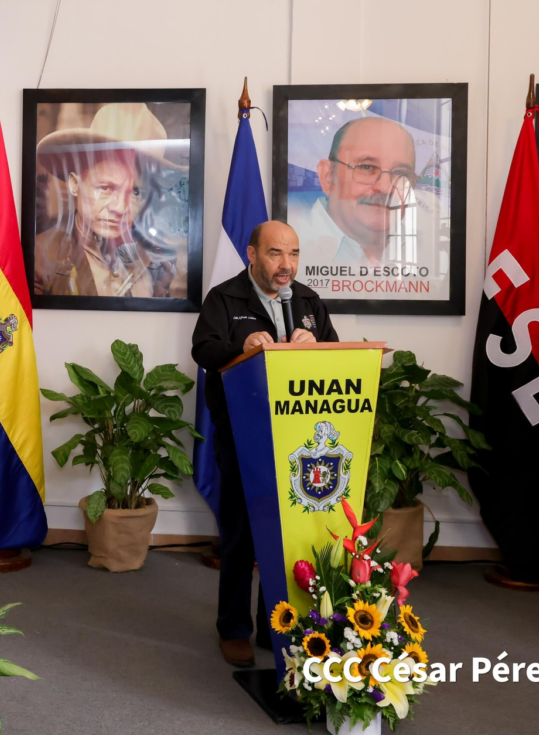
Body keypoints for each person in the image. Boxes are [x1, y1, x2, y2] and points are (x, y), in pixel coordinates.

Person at [190, 220, 339, 667]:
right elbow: (204, 350)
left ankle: (278, 621)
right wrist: (243, 346)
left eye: (293, 254)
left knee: (288, 534)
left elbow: (334, 350)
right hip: (243, 430)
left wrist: (315, 344)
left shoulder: (309, 302)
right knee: (242, 532)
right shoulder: (224, 298)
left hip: (300, 438)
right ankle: (233, 628)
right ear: (252, 254)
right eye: (276, 254)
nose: (286, 265)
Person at [33, 103, 176, 297]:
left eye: (135, 192)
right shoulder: (41, 258)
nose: (119, 207)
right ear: (75, 184)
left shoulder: (158, 261)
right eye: (106, 188)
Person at [294, 116, 425, 266]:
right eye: (366, 167)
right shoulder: (291, 245)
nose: (385, 187)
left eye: (401, 173)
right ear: (328, 176)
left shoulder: (430, 251)